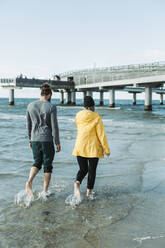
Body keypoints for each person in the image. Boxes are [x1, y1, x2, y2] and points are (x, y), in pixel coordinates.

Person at [26, 83, 61, 196]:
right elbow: (54, 126)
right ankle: (44, 191)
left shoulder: (30, 105)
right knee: (47, 166)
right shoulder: (51, 107)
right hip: (47, 140)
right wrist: (57, 142)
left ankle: (29, 181)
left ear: (41, 93)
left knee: (37, 162)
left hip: (34, 139)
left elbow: (28, 125)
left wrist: (30, 140)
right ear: (49, 95)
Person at [72, 96, 110, 198]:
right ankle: (88, 193)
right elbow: (101, 134)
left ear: (84, 106)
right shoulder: (96, 116)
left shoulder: (78, 115)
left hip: (80, 146)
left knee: (83, 169)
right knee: (92, 171)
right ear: (92, 106)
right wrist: (106, 149)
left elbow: (77, 125)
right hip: (93, 148)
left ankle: (77, 182)